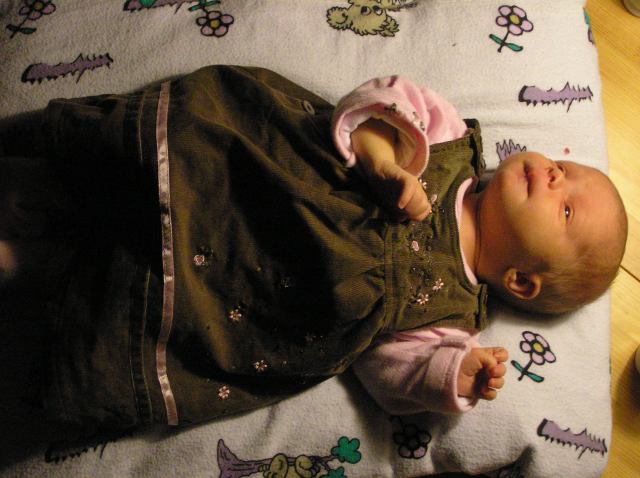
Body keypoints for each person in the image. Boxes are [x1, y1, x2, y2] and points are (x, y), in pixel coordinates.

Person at [0, 65, 627, 430]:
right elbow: (382, 99)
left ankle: (31, 265)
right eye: (567, 169)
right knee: (165, 162)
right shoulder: (450, 142)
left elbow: (386, 372)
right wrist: (383, 161)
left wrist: (451, 375)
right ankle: (44, 178)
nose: (555, 176)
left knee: (117, 295)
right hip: (263, 185)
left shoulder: (453, 320)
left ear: (520, 281)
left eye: (566, 208)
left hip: (251, 294)